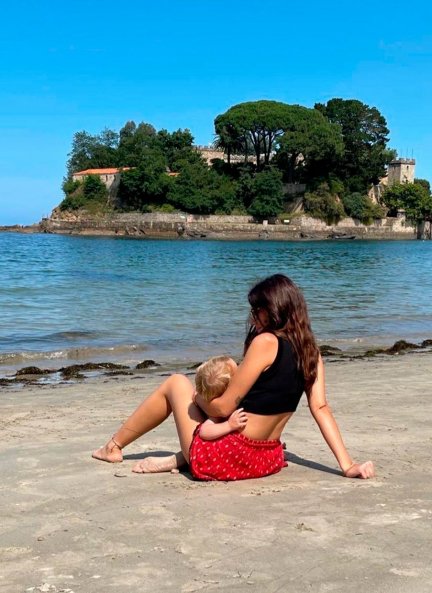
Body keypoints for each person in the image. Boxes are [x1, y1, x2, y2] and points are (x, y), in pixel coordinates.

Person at [92, 274, 375, 480]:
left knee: (176, 383)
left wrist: (197, 399)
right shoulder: (312, 352)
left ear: (274, 309)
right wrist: (347, 465)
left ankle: (113, 447)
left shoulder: (265, 343)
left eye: (257, 310)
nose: (252, 317)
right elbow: (321, 409)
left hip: (228, 457)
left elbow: (225, 408)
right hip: (266, 459)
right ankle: (176, 460)